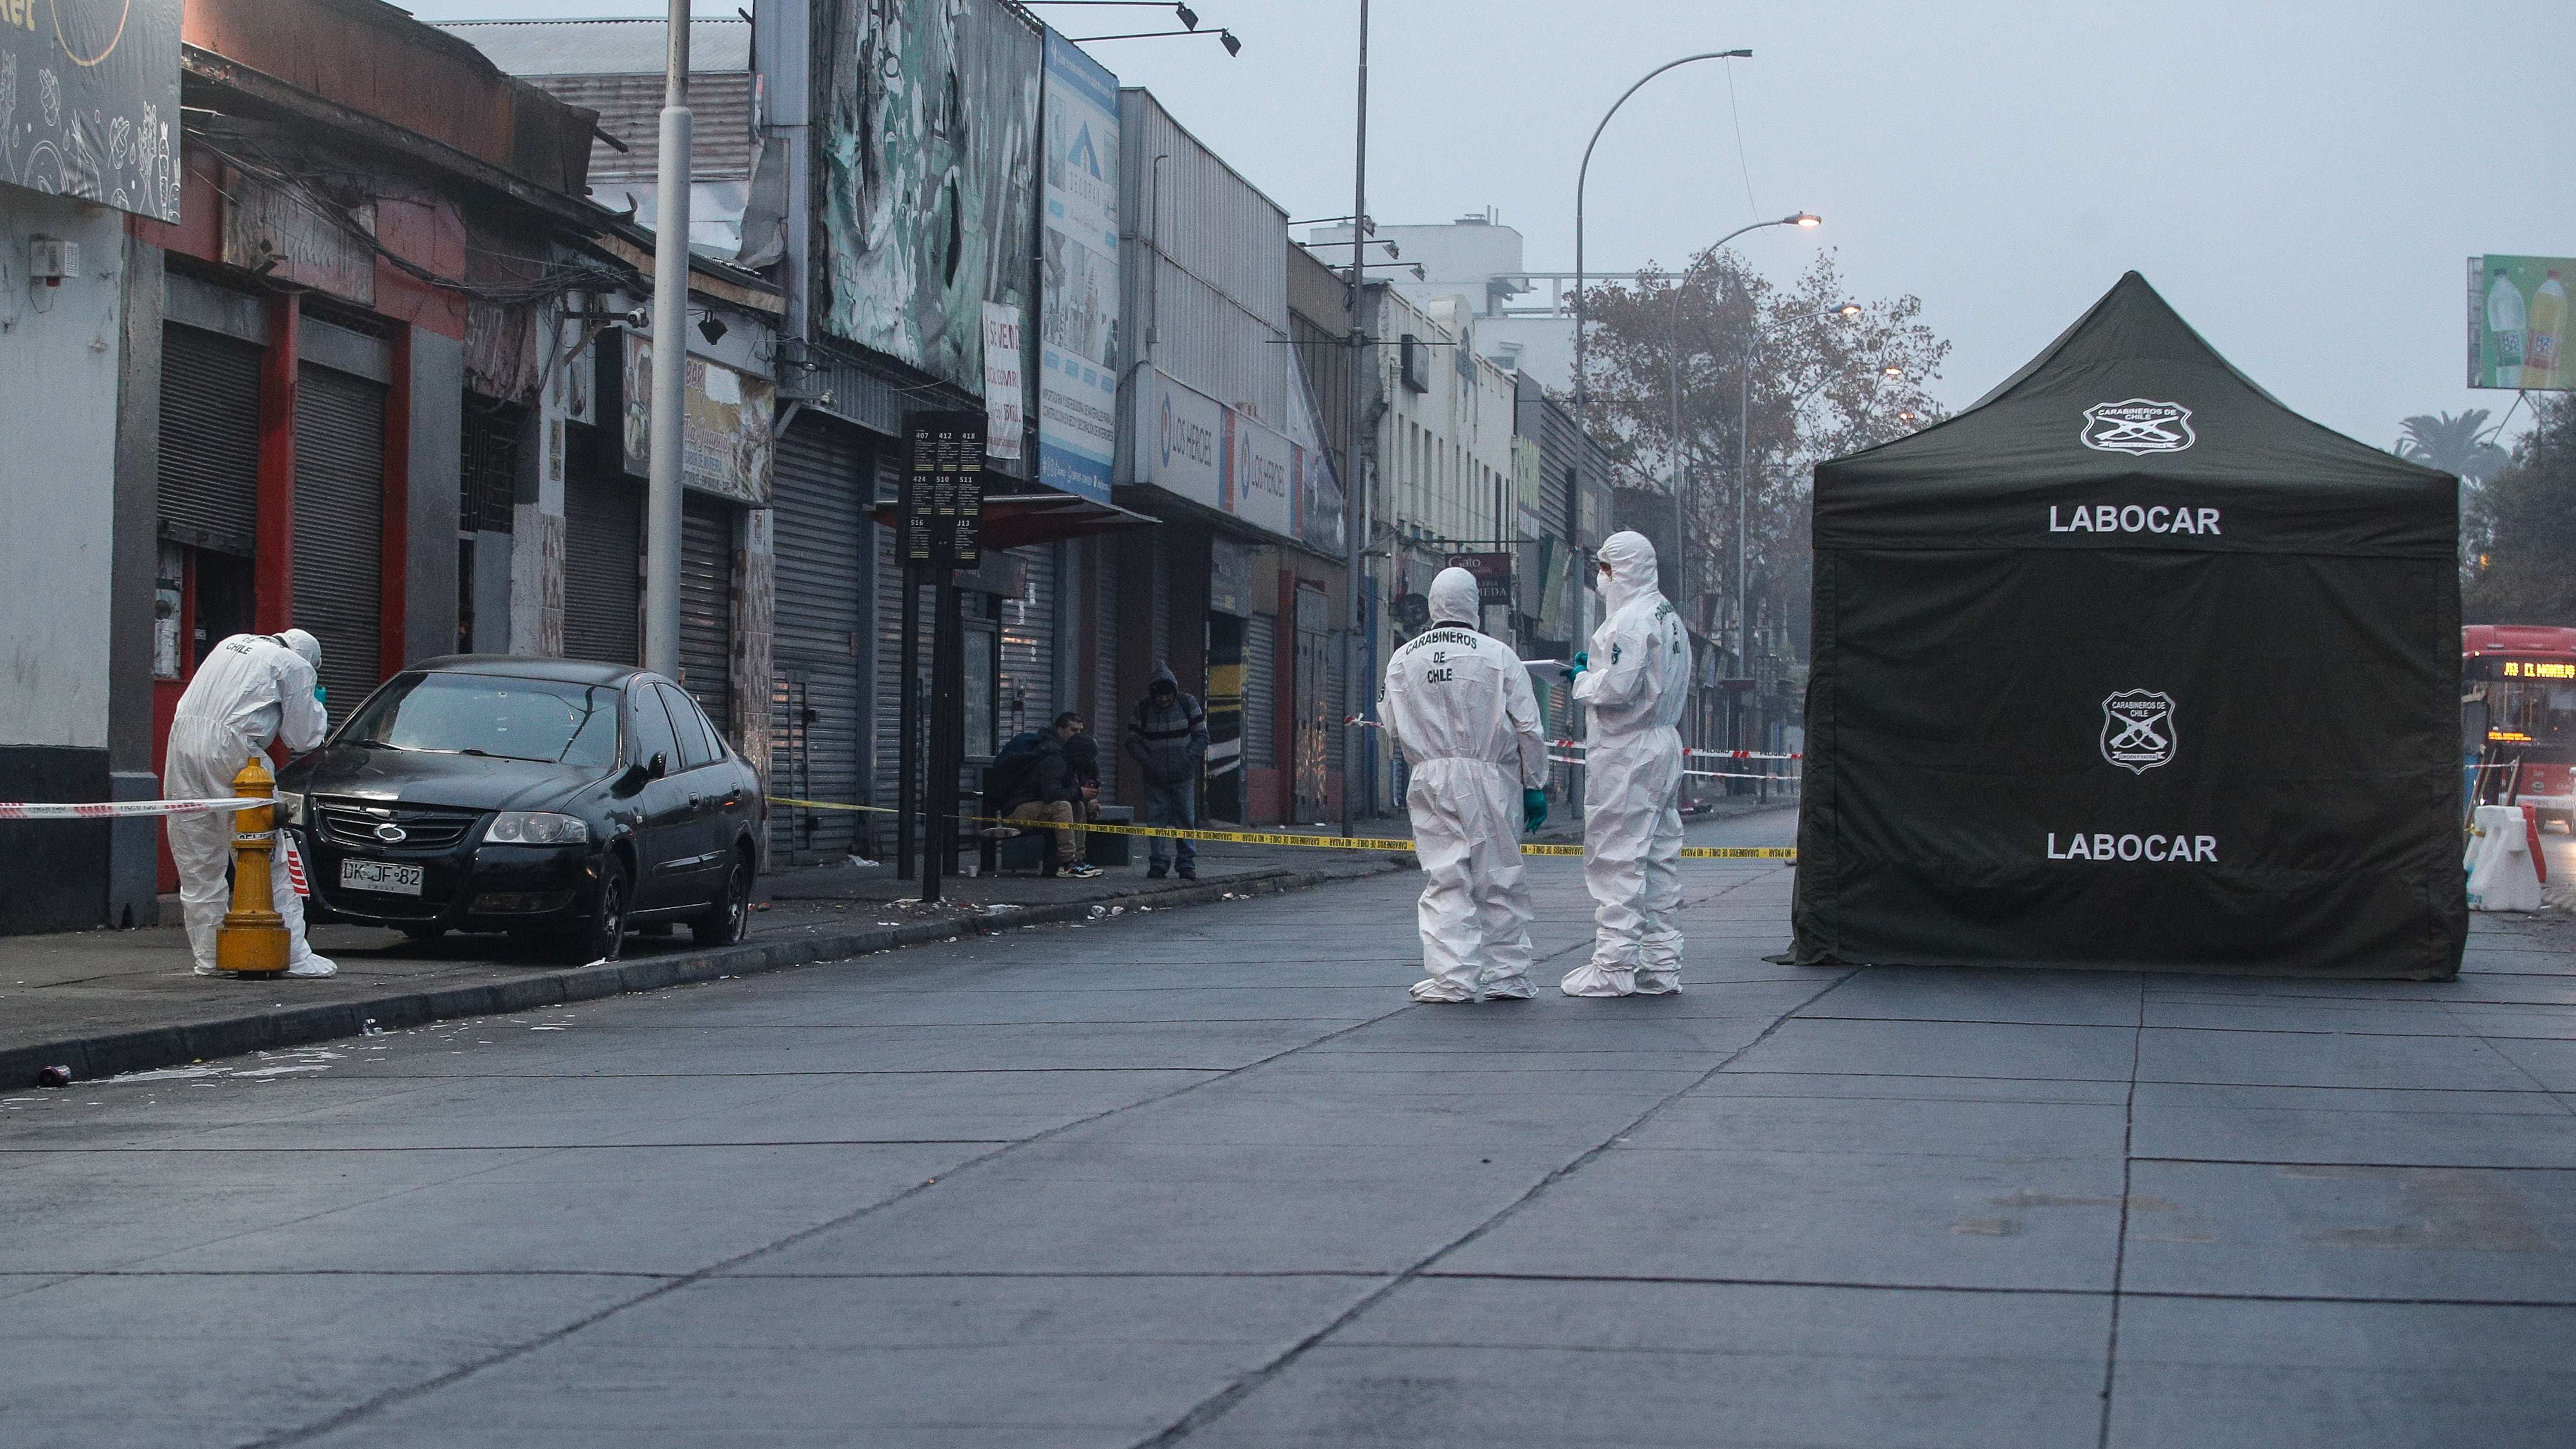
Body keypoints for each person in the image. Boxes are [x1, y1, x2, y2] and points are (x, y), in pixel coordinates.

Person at [1382, 567, 1550, 1003]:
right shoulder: (1498, 655)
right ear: (1473, 602)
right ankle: (1508, 975)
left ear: (1435, 603)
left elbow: (1391, 725)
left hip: (1430, 775)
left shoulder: (1403, 658)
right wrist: (1535, 783)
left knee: (1444, 877)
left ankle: (1452, 977)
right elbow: (1528, 726)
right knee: (1499, 875)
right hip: (1491, 777)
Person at [164, 630, 338, 978]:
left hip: (181, 744)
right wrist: (316, 707)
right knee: (266, 855)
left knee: (198, 861)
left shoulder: (230, 642)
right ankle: (293, 955)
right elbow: (304, 738)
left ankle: (211, 957)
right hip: (235, 751)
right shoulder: (294, 666)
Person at [1563, 530, 1692, 997]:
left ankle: (1614, 965)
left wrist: (1582, 681)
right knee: (1657, 857)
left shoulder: (1629, 622)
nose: (1600, 579)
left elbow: (1616, 692)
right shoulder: (1668, 616)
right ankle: (1661, 963)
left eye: (1604, 568)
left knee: (1616, 856)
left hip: (1627, 750)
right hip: (1662, 743)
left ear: (1622, 569)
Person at [990, 713, 1102, 879]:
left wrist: (1087, 797)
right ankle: (1067, 863)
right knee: (1062, 806)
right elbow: (1052, 794)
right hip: (1018, 810)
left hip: (1038, 808)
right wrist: (1080, 792)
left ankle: (1079, 859)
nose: (1077, 735)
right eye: (1073, 730)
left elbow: (1069, 793)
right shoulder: (1054, 760)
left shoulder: (1067, 761)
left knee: (1076, 805)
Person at [1124, 663, 1207, 879]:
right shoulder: (1142, 709)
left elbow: (1201, 737)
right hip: (1154, 778)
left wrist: (1186, 761)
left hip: (1184, 776)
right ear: (1152, 694)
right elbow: (1132, 741)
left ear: (1174, 692)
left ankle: (1186, 864)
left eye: (1167, 694)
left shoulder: (1188, 704)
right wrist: (1151, 763)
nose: (1163, 699)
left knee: (1185, 821)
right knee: (1156, 821)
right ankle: (1158, 863)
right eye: (1159, 695)